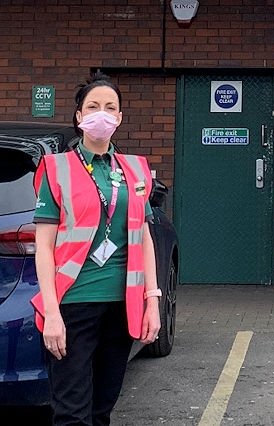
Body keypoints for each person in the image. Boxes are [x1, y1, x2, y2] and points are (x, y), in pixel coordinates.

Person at [31, 72, 162, 426]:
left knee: (101, 411)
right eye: (93, 106)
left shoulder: (136, 170)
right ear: (79, 116)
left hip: (122, 306)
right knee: (72, 414)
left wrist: (153, 301)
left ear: (119, 118)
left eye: (110, 107)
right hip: (73, 306)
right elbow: (44, 246)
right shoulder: (56, 169)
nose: (101, 113)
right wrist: (52, 314)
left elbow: (144, 238)